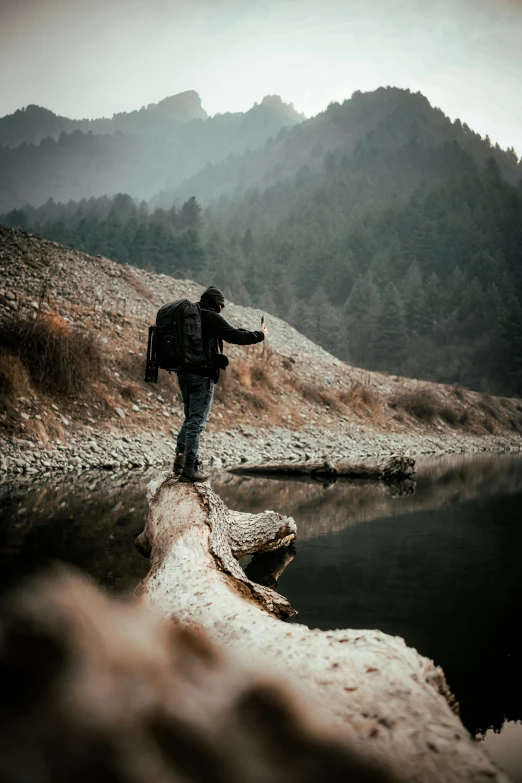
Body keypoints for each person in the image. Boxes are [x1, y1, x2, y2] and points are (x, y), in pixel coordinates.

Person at [174, 286, 267, 482]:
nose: (221, 310)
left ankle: (180, 461)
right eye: (221, 306)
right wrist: (260, 335)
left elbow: (228, 332)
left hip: (183, 373)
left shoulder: (191, 315)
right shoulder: (212, 317)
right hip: (202, 375)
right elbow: (235, 336)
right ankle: (189, 469)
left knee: (190, 417)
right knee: (197, 422)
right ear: (217, 304)